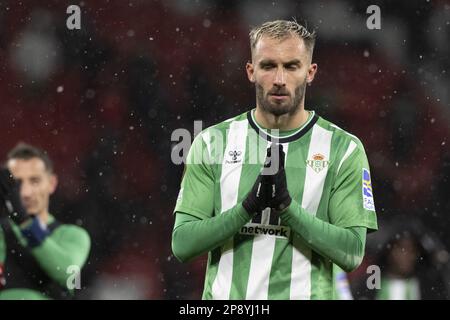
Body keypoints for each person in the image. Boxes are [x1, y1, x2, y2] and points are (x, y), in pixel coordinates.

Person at [171, 19, 378, 299]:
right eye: (268, 66)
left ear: (310, 72)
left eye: (291, 66)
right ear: (251, 71)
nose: (279, 79)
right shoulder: (211, 143)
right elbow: (182, 244)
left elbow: (352, 252)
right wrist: (247, 208)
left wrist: (286, 207)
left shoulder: (344, 149)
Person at [0, 143, 91, 299]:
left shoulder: (73, 236)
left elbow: (68, 273)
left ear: (52, 183)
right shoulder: (2, 233)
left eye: (34, 181)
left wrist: (25, 223)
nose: (26, 193)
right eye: (17, 183)